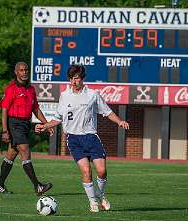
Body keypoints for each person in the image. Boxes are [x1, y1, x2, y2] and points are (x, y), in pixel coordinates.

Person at [35, 65, 129, 212]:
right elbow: (58, 118)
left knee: (102, 171)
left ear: (83, 78)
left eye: (77, 78)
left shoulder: (92, 95)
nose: (74, 81)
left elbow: (107, 111)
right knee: (86, 171)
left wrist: (119, 121)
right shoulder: (64, 96)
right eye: (71, 78)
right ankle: (93, 202)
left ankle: (101, 195)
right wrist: (45, 125)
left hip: (91, 138)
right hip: (74, 139)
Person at [0, 62, 53, 196]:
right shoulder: (11, 89)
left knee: (12, 154)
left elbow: (36, 109)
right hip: (14, 123)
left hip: (25, 124)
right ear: (16, 72)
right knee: (25, 151)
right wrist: (4, 130)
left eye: (26, 70)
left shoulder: (31, 89)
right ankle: (38, 186)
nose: (24, 72)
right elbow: (4, 110)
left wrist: (46, 124)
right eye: (21, 70)